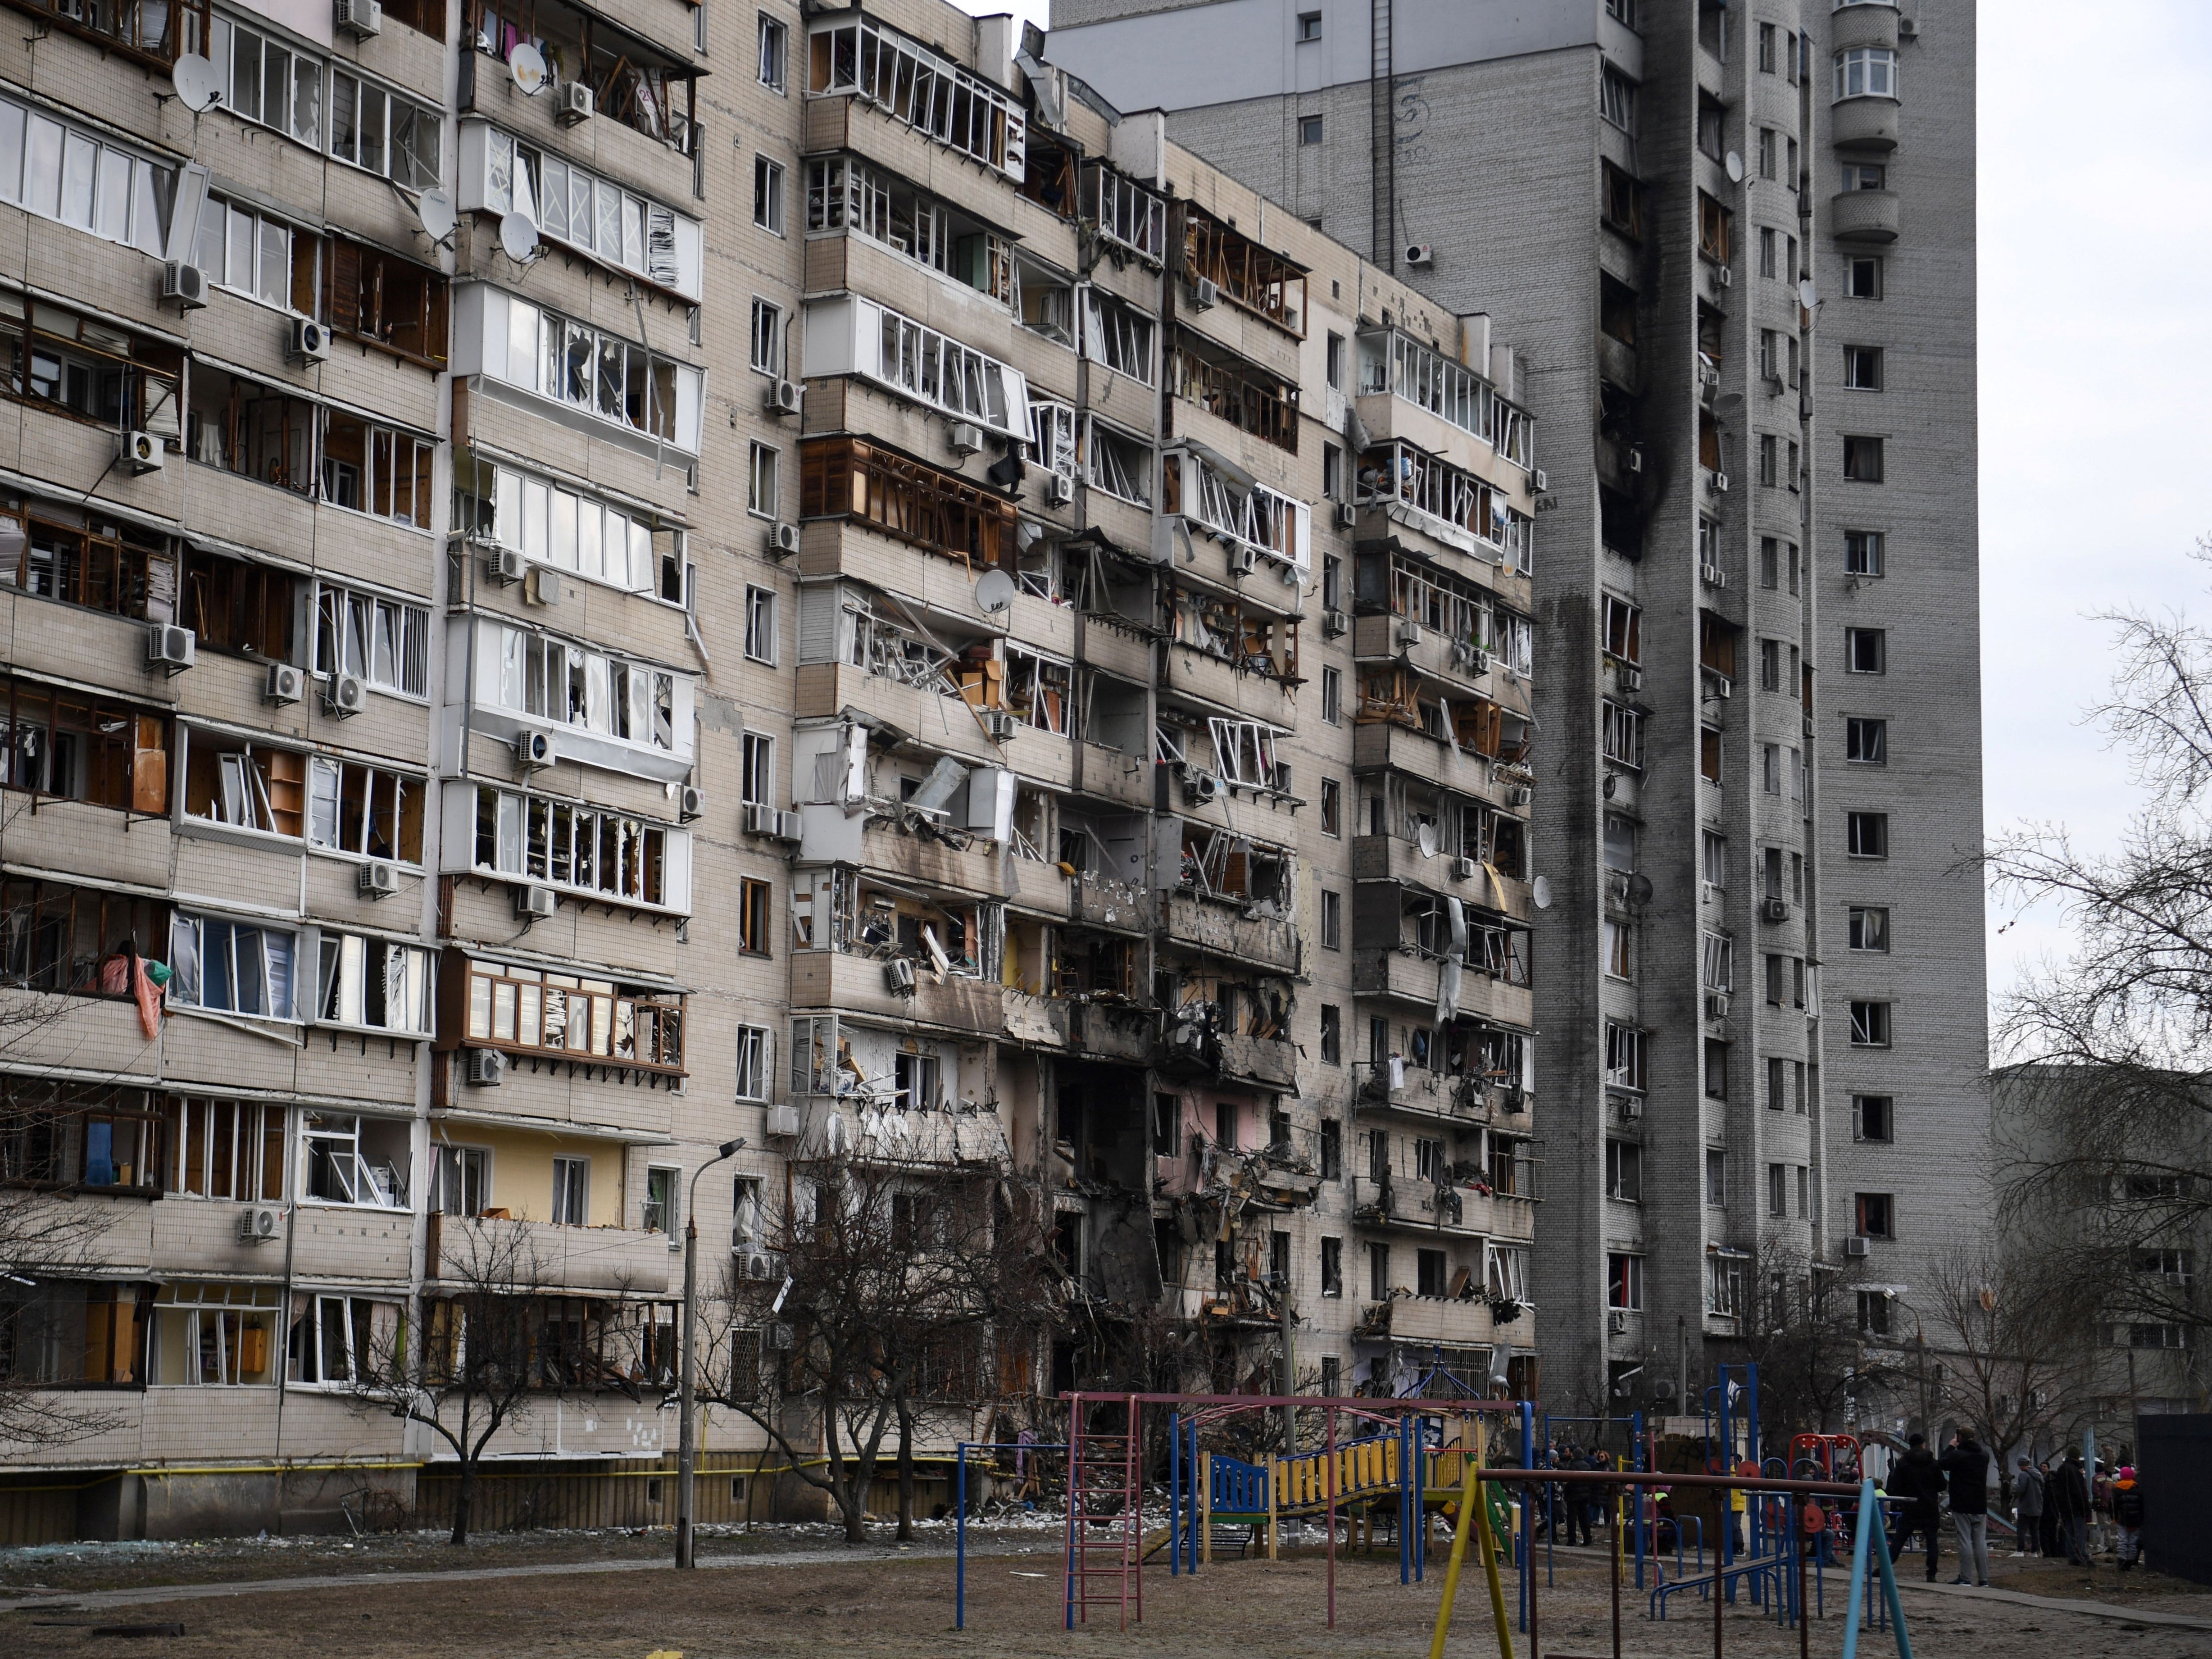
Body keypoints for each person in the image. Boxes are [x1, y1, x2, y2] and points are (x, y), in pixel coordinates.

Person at [1887, 1433, 1945, 1581]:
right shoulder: (1933, 1463)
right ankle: (1931, 1573)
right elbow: (1942, 1485)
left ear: (1910, 1445)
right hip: (1930, 1506)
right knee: (1932, 1541)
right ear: (1923, 1444)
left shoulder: (1903, 1463)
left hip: (1911, 1505)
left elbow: (1896, 1486)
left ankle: (1885, 1567)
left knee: (1899, 1539)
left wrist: (1902, 1501)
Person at [1939, 1428, 1993, 1586]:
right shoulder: (1984, 1456)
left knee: (1965, 1541)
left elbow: (1942, 1463)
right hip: (1980, 1504)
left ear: (1959, 1437)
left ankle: (1966, 1577)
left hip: (1962, 1503)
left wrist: (1950, 1447)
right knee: (1980, 1542)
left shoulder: (1957, 1455)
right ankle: (1984, 1579)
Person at [2051, 1448, 2093, 1566]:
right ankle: (2083, 1556)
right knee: (2080, 1533)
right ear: (2077, 1457)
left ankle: (2072, 1556)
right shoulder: (2074, 1471)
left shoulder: (2062, 1469)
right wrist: (2085, 1507)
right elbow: (2078, 1491)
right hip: (2076, 1508)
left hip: (2066, 1508)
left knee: (2070, 1532)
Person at [2112, 1464, 2145, 1572]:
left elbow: (2114, 1506)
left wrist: (2114, 1518)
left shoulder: (2117, 1490)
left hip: (2123, 1520)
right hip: (2136, 1520)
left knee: (2122, 1541)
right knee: (2133, 1542)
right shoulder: (2138, 1489)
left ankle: (2122, 1562)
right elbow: (2142, 1506)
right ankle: (2130, 1563)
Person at [2012, 1455, 2045, 1558]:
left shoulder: (2024, 1475)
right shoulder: (2038, 1474)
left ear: (2021, 1465)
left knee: (2021, 1529)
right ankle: (2034, 1552)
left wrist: (2014, 1487)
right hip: (2038, 1506)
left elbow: (2021, 1490)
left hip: (2026, 1507)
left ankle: (2020, 1550)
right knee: (2035, 1530)